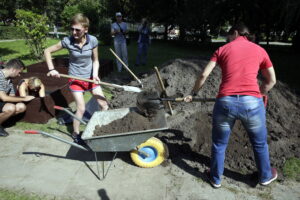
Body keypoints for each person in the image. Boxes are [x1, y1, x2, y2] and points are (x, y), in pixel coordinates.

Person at [184, 24, 277, 188]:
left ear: (235, 33)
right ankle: (265, 176)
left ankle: (215, 178)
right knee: (260, 143)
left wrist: (194, 93)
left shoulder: (222, 49)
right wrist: (259, 93)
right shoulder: (260, 51)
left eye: (228, 35)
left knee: (219, 144)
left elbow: (204, 74)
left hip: (226, 102)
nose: (227, 38)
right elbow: (271, 81)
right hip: (252, 103)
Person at [44, 13, 109, 144]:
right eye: (72, 29)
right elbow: (47, 51)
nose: (74, 32)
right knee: (81, 109)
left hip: (91, 78)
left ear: (86, 29)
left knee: (104, 105)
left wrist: (95, 74)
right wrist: (51, 69)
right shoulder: (67, 41)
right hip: (75, 79)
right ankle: (76, 133)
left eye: (77, 30)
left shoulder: (93, 41)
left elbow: (95, 60)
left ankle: (101, 128)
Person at [0, 59, 35, 136]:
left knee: (21, 107)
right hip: (2, 99)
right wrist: (24, 98)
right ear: (13, 70)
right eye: (19, 72)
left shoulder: (9, 79)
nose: (19, 75)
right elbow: (4, 98)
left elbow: (12, 96)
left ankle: (3, 121)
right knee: (11, 108)